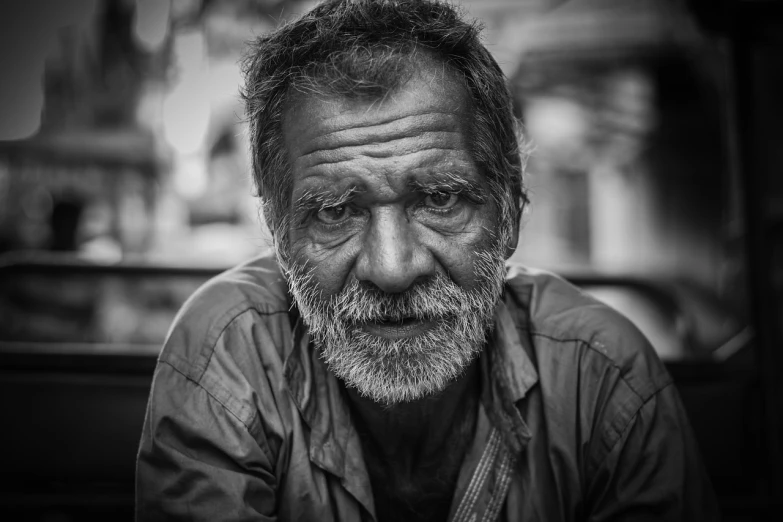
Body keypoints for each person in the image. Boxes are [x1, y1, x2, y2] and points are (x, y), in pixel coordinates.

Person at [135, 0, 719, 520]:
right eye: (335, 212)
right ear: (277, 235)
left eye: (440, 199)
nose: (392, 268)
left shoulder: (604, 380)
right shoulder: (226, 356)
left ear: (512, 212)